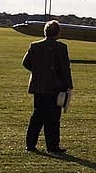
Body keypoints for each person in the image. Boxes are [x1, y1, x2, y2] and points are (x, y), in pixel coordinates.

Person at [23, 20, 73, 153]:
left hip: (38, 87)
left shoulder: (34, 46)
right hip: (55, 88)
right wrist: (69, 86)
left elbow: (26, 63)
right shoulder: (61, 48)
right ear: (57, 33)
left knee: (37, 116)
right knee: (53, 119)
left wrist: (38, 72)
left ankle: (30, 144)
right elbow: (65, 69)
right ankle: (52, 146)